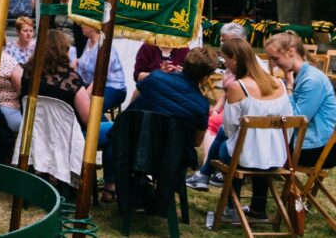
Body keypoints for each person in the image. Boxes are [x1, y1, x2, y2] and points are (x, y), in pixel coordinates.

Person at [190, 39, 291, 222]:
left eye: (225, 59)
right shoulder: (280, 84)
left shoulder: (238, 87)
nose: (224, 64)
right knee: (256, 150)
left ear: (234, 59)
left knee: (233, 149)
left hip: (244, 158)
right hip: (276, 156)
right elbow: (288, 123)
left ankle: (231, 208)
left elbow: (229, 129)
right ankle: (258, 209)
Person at [100, 47, 217, 202]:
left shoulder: (155, 78)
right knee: (112, 132)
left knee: (105, 132)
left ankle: (110, 185)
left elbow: (133, 104)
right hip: (169, 158)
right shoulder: (201, 105)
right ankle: (120, 186)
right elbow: (196, 141)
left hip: (131, 145)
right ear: (204, 77)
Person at [188, 22, 253, 190]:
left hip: (245, 116)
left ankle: (207, 170)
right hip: (240, 113)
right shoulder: (236, 64)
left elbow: (231, 124)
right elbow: (226, 92)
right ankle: (206, 171)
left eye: (226, 41)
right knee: (216, 119)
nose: (223, 44)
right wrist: (217, 105)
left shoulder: (247, 66)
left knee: (218, 125)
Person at [266, 31, 336, 169]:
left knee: (260, 148)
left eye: (276, 59)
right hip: (304, 142)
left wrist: (289, 88)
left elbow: (296, 120)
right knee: (257, 143)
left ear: (291, 51)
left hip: (316, 148)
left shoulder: (312, 80)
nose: (274, 65)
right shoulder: (301, 75)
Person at [20, 29, 90, 126]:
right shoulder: (71, 80)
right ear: (64, 50)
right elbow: (88, 119)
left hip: (34, 133)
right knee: (110, 129)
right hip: (66, 136)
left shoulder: (28, 74)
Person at [73, 23, 128, 111]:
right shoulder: (89, 42)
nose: (81, 25)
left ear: (93, 26)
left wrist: (85, 97)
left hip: (113, 87)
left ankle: (105, 124)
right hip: (92, 85)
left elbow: (100, 77)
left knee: (90, 109)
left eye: (84, 23)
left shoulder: (104, 45)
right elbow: (83, 65)